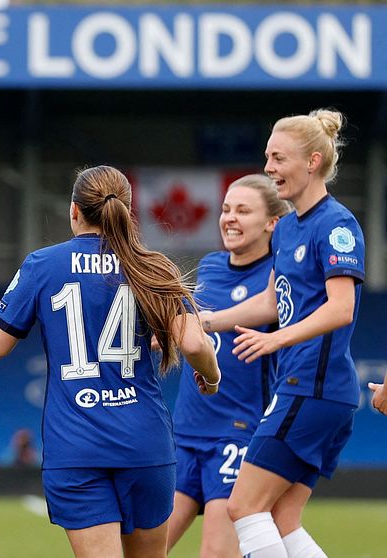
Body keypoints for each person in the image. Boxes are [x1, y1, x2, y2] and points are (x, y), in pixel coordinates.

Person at [0, 165, 221, 558]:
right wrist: (211, 378)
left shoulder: (43, 264)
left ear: (74, 211)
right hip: (144, 443)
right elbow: (194, 341)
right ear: (128, 214)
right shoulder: (151, 265)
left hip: (75, 446)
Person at [197, 109, 364, 558]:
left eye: (277, 158)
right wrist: (206, 322)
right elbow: (272, 302)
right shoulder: (288, 226)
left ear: (311, 162)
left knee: (243, 507)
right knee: (281, 519)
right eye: (267, 158)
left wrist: (276, 339)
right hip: (312, 389)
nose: (268, 169)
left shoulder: (336, 224)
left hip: (312, 386)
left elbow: (342, 308)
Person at [165, 175, 291, 557]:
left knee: (216, 554)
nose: (229, 218)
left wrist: (204, 322)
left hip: (236, 436)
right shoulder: (210, 266)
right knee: (143, 550)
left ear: (272, 223)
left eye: (243, 210)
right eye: (225, 210)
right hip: (184, 433)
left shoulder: (278, 275)